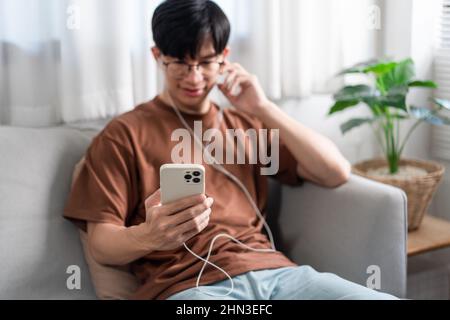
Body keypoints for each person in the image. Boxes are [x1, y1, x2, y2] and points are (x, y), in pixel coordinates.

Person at [63, 0, 397, 300]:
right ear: (157, 56)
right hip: (189, 288)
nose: (193, 77)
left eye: (206, 62)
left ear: (224, 58)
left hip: (278, 276)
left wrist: (263, 107)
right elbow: (102, 244)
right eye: (179, 63)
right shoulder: (124, 135)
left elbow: (335, 171)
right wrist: (149, 236)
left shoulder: (246, 125)